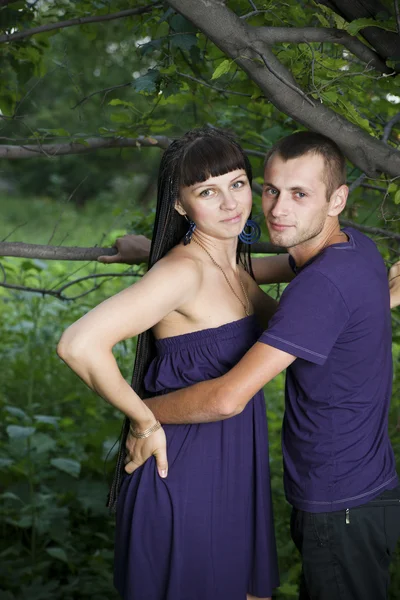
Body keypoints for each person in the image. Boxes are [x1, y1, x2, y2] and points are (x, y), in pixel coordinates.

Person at [123, 132, 400, 600]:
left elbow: (228, 396)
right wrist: (152, 253)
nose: (277, 209)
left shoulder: (320, 289)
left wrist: (141, 417)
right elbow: (249, 273)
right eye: (270, 189)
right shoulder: (359, 250)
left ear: (338, 199)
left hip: (339, 502)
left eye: (299, 194)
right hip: (367, 486)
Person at [57, 127, 293, 600]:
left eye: (237, 183)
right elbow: (78, 344)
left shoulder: (232, 267)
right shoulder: (183, 271)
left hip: (232, 473)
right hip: (185, 473)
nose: (230, 203)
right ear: (182, 206)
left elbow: (306, 266)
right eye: (208, 191)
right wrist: (143, 423)